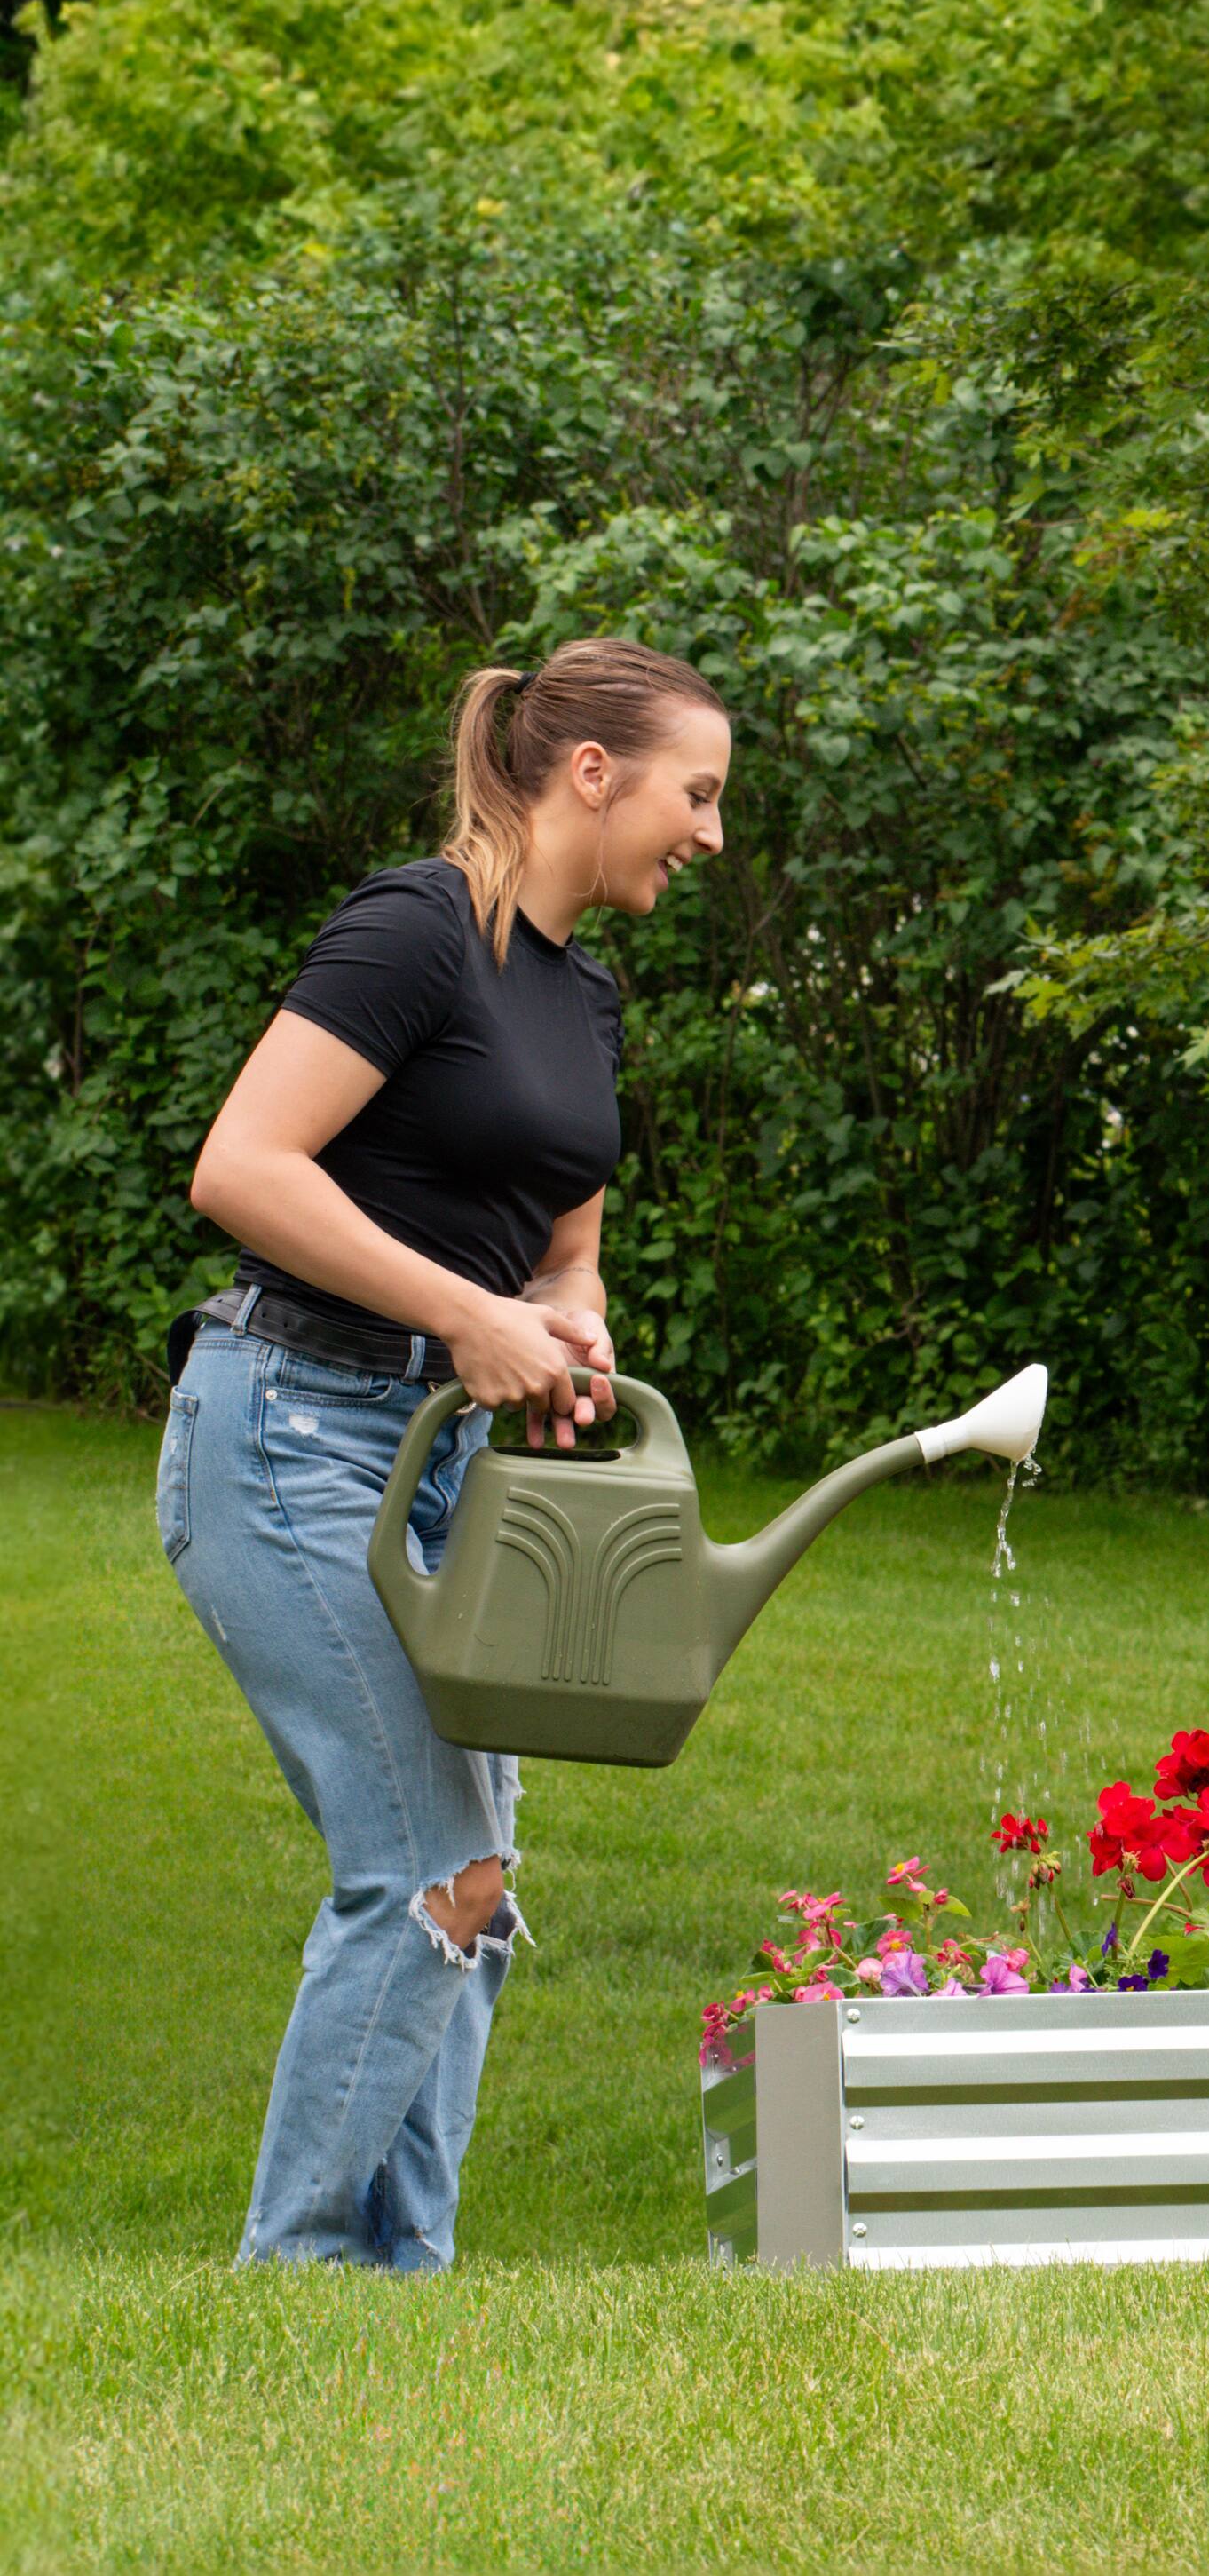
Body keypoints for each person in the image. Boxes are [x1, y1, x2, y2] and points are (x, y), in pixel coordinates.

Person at [157, 638, 729, 2269]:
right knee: (432, 1864)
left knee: (474, 1884)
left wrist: (567, 1321)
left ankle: (403, 2281)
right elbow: (244, 1167)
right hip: (287, 1434)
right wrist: (466, 1318)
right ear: (592, 773)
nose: (710, 835)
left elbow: (564, 1251)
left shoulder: (582, 991)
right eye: (697, 794)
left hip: (447, 1467)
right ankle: (302, 2274)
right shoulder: (422, 928)